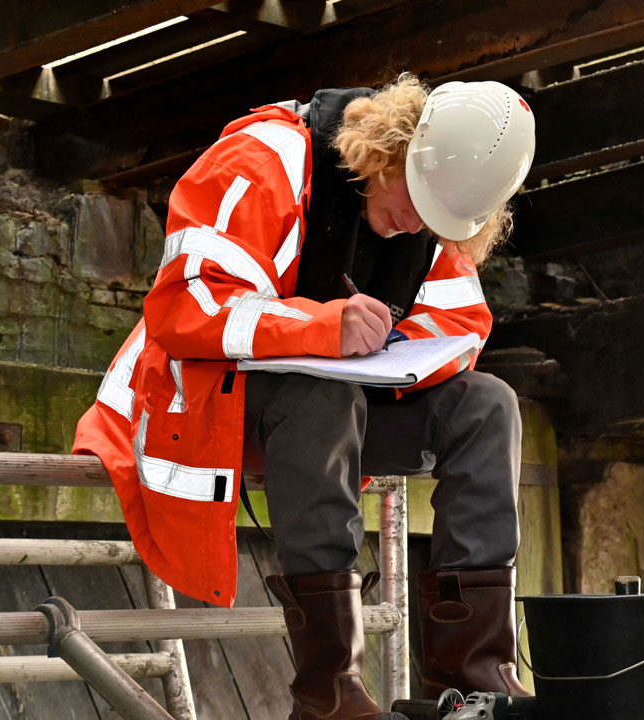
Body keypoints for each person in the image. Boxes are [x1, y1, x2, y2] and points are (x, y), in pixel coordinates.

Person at [74, 73, 536, 720]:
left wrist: (391, 351)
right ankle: (329, 691)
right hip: (210, 405)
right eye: (415, 196)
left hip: (332, 414)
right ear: (392, 144)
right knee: (325, 400)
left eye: (437, 218)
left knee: (488, 406)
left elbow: (461, 323)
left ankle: (473, 683)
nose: (415, 224)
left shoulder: (432, 217)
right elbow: (183, 307)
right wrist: (324, 329)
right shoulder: (264, 161)